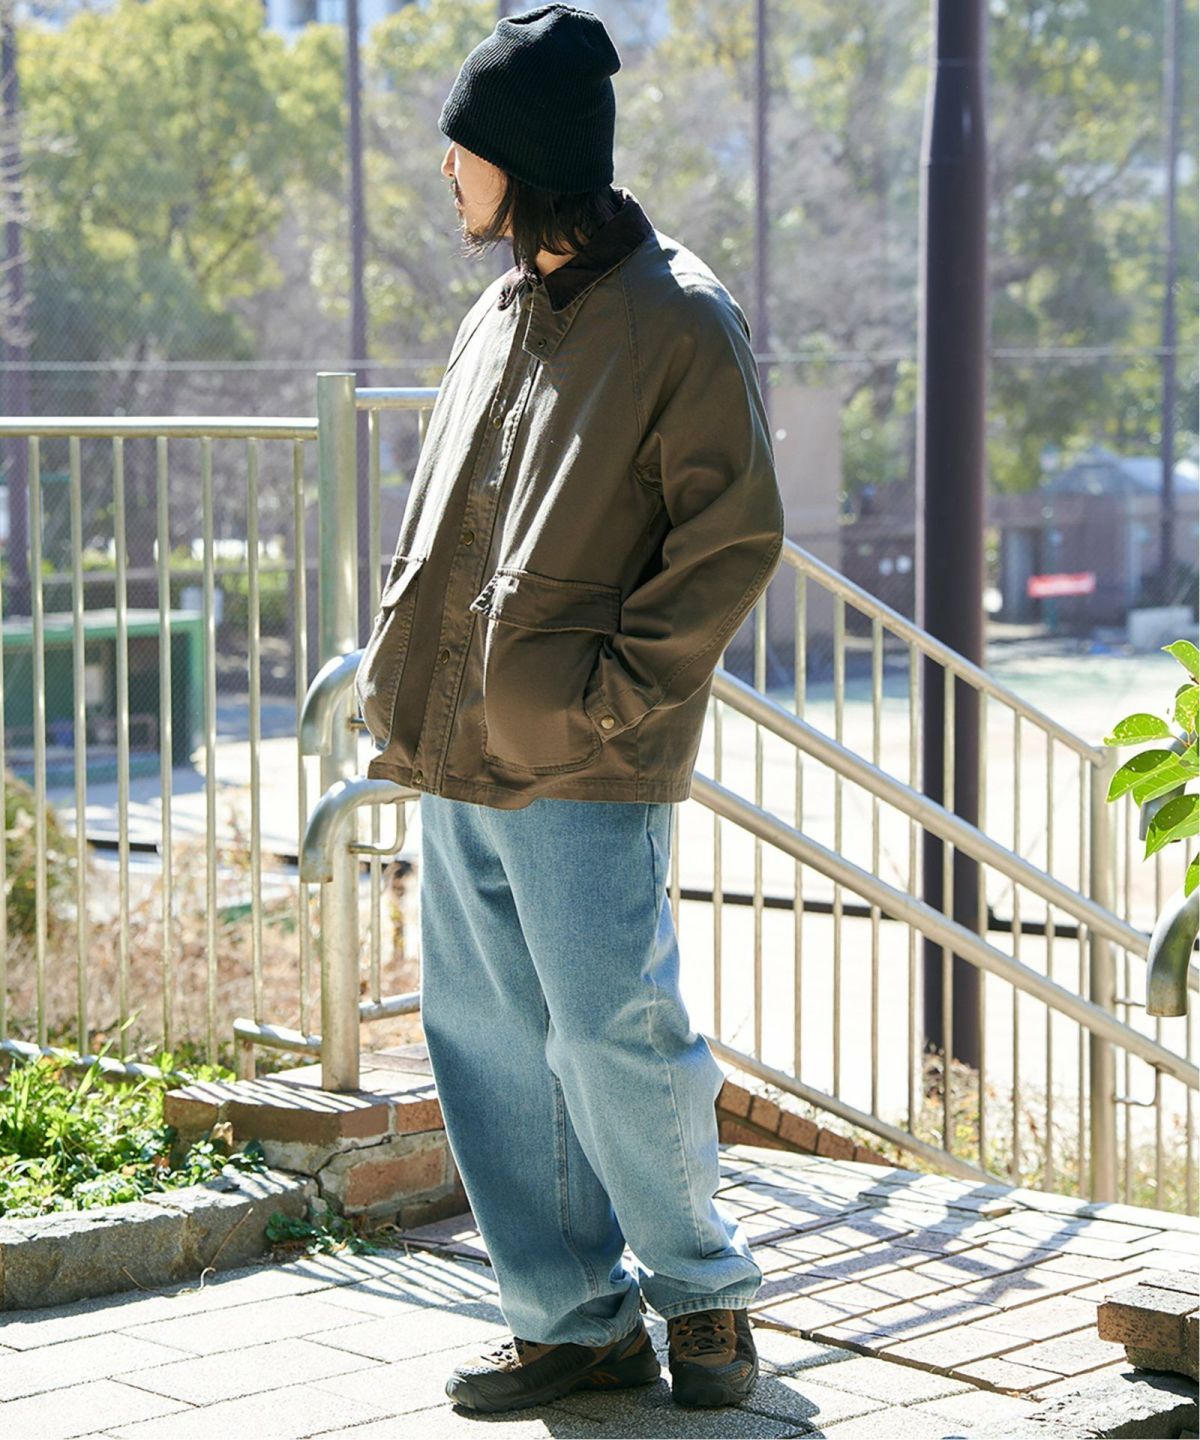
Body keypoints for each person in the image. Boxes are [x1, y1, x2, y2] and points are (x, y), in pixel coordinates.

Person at [354, 1, 785, 1416]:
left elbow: (730, 540)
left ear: (525, 155)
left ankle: (705, 1298)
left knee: (615, 1036)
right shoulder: (496, 315)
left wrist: (608, 708)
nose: (447, 170)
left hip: (586, 760)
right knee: (485, 1046)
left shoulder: (679, 317)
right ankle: (570, 1320)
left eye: (463, 145)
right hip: (461, 751)